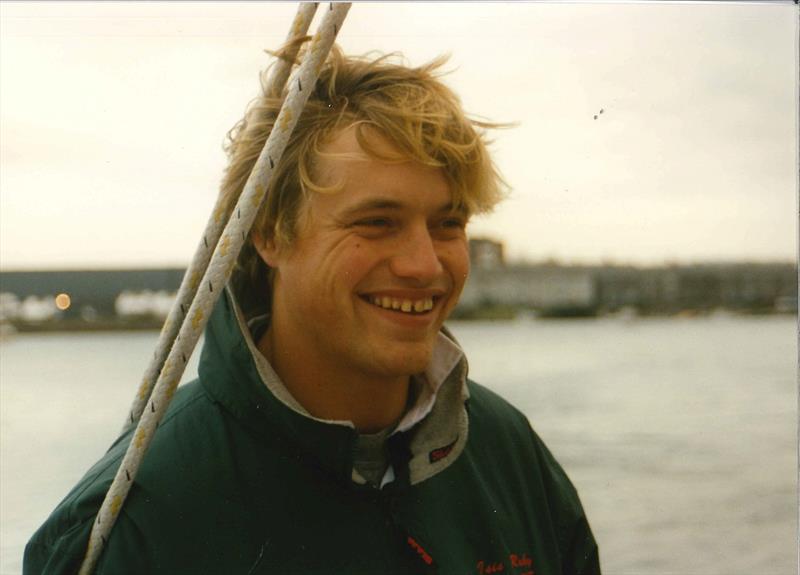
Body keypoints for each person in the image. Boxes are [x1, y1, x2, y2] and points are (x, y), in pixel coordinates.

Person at [24, 44, 600, 575]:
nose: (425, 265)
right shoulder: (141, 518)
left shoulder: (507, 453)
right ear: (269, 234)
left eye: (448, 224)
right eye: (377, 223)